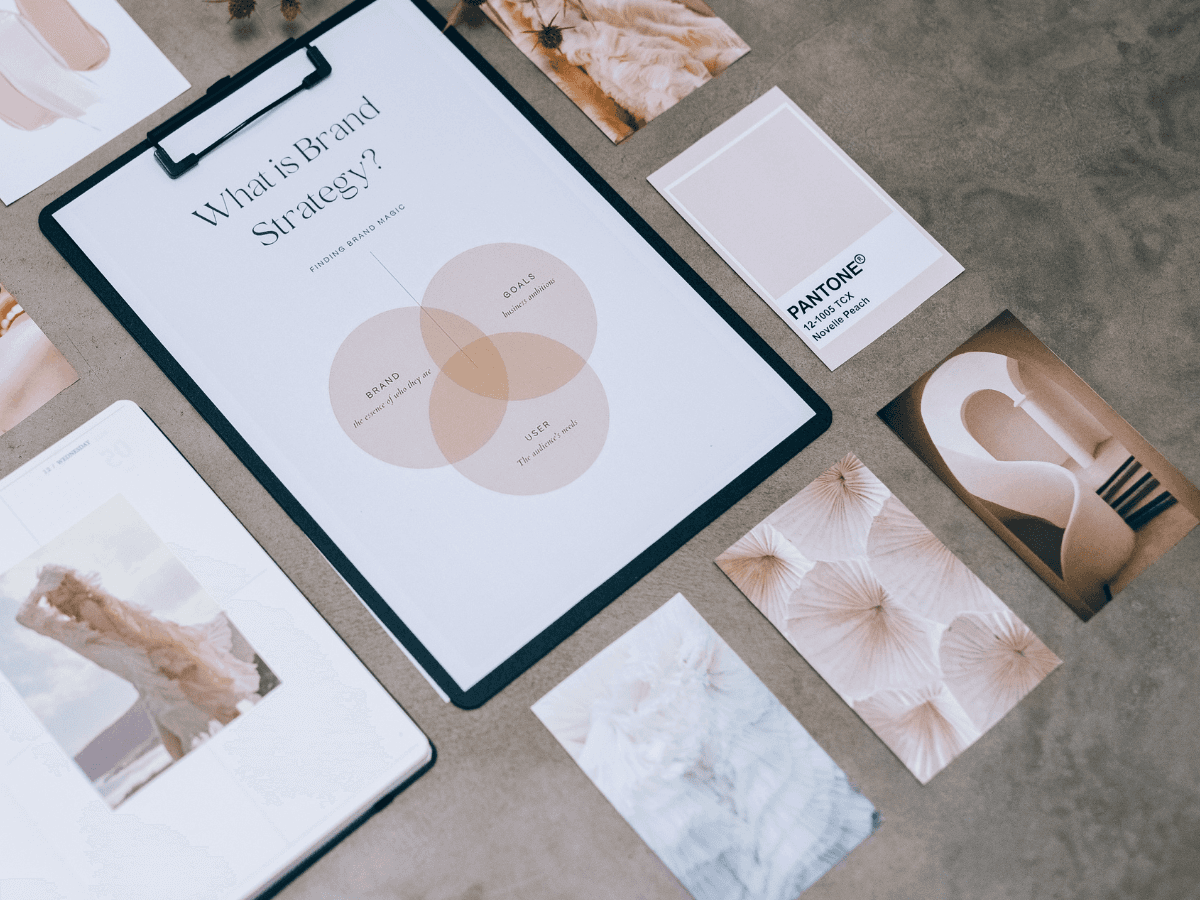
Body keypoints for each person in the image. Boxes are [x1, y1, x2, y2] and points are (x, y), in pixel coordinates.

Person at [15, 564, 261, 760]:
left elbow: (124, 639)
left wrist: (161, 659)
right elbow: (24, 617)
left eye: (55, 590)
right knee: (184, 725)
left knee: (201, 712)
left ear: (69, 587)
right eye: (49, 594)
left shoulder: (85, 606)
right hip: (142, 675)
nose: (52, 599)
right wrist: (38, 589)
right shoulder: (70, 623)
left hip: (148, 670)